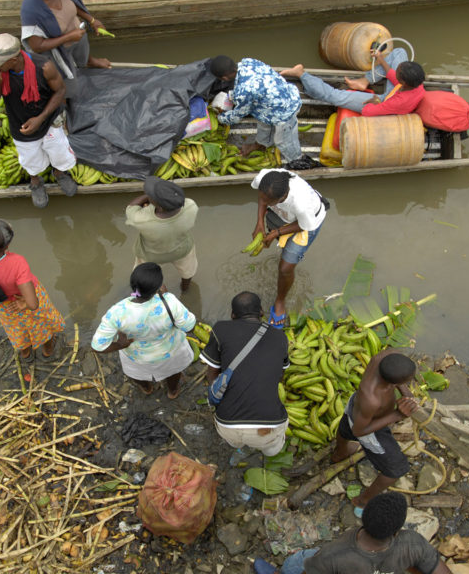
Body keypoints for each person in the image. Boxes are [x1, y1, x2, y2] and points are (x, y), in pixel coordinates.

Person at [253, 492, 454, 574]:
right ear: (396, 530)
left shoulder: (334, 555)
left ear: (363, 518)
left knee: (294, 565)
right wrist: (408, 565)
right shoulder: (413, 544)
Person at [0, 33, 80, 209]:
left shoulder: (44, 67)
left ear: (12, 60)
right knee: (30, 158)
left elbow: (60, 91)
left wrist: (40, 118)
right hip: (20, 124)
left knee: (58, 151)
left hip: (49, 121)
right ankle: (35, 181)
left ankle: (59, 173)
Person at [0, 218, 65, 361]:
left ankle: (26, 354)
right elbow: (33, 304)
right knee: (42, 326)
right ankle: (47, 352)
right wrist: (24, 303)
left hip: (5, 306)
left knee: (17, 331)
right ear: (6, 245)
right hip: (22, 300)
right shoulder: (17, 263)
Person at [201, 292, 289, 456]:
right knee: (272, 448)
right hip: (270, 425)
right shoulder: (280, 337)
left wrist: (217, 395)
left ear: (233, 315)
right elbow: (280, 377)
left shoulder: (220, 329)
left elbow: (212, 371)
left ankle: (238, 445)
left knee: (234, 440)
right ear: (262, 312)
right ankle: (269, 451)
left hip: (228, 422)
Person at [333, 350, 419, 517]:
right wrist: (397, 415)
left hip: (355, 407)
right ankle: (362, 501)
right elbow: (358, 430)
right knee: (396, 469)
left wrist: (404, 390)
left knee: (345, 428)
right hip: (370, 425)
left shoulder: (381, 358)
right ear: (393, 382)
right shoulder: (372, 399)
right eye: (407, 381)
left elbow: (394, 363)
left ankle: (339, 454)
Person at [91, 263, 196, 400]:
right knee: (173, 372)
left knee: (138, 374)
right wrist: (165, 297)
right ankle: (172, 391)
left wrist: (120, 345)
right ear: (158, 287)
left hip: (137, 357)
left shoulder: (117, 312)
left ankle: (146, 388)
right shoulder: (169, 302)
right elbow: (190, 327)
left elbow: (97, 346)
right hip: (169, 353)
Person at [210, 55, 319, 171]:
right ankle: (261, 144)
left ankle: (298, 162)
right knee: (263, 125)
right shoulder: (248, 62)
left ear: (225, 78)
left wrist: (220, 117)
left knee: (282, 141)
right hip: (280, 97)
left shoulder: (243, 92)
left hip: (285, 110)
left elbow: (236, 116)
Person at [250, 168, 329, 327]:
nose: (263, 200)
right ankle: (282, 246)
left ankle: (280, 301)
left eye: (268, 201)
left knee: (286, 268)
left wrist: (275, 234)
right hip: (283, 216)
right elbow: (263, 199)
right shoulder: (265, 179)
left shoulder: (300, 204)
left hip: (307, 222)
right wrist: (259, 221)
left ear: (281, 199)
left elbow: (303, 225)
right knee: (281, 250)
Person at [20, 0, 111, 79]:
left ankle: (88, 61)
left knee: (82, 51)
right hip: (58, 47)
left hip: (77, 33)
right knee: (65, 79)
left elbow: (73, 3)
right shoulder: (31, 9)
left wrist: (92, 20)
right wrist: (69, 37)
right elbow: (37, 46)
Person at [280, 48, 425, 117]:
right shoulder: (416, 84)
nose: (395, 72)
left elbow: (369, 112)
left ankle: (301, 74)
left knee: (336, 96)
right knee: (400, 52)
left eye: (398, 72)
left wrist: (372, 100)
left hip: (383, 102)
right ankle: (365, 80)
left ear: (403, 82)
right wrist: (381, 59)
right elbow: (393, 76)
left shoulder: (397, 102)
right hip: (397, 93)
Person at [125, 176, 199, 292]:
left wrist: (147, 197)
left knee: (146, 275)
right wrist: (157, 198)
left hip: (151, 255)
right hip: (182, 250)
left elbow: (131, 207)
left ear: (158, 206)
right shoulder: (191, 206)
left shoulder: (142, 220)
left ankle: (160, 292)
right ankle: (185, 288)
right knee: (188, 270)